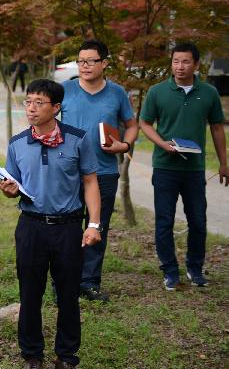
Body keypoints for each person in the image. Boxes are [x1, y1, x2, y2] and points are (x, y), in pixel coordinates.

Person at [0, 78, 101, 369]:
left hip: (68, 227)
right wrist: (9, 190)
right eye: (28, 102)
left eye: (38, 103)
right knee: (30, 294)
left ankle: (67, 360)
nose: (31, 108)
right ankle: (32, 357)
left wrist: (93, 224)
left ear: (56, 107)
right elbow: (13, 187)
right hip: (30, 227)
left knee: (68, 295)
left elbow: (90, 182)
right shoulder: (17, 143)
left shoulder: (78, 140)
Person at [139, 42, 227, 290]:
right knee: (164, 221)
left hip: (195, 169)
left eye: (186, 62)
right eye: (176, 61)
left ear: (196, 64)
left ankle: (195, 268)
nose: (180, 66)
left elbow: (217, 128)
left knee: (198, 220)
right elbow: (145, 123)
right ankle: (169, 271)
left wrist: (223, 164)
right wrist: (161, 143)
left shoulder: (209, 93)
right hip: (165, 167)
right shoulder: (157, 92)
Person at [61, 40, 138, 302]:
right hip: (69, 172)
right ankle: (65, 280)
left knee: (97, 227)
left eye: (91, 61)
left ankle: (89, 282)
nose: (84, 66)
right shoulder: (65, 90)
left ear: (104, 63)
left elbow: (131, 124)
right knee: (67, 228)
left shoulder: (117, 93)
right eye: (80, 61)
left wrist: (124, 145)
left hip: (104, 172)